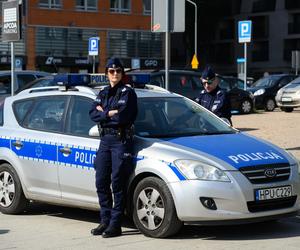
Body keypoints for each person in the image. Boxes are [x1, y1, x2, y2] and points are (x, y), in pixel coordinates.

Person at [89, 57, 138, 238]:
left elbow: (123, 117)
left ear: (122, 73)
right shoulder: (103, 92)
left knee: (117, 183)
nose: (115, 74)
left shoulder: (128, 93)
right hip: (105, 141)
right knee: (101, 181)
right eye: (111, 71)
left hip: (120, 141)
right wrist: (110, 112)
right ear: (106, 73)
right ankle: (105, 220)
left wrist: (105, 113)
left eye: (118, 71)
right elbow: (92, 113)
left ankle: (115, 225)